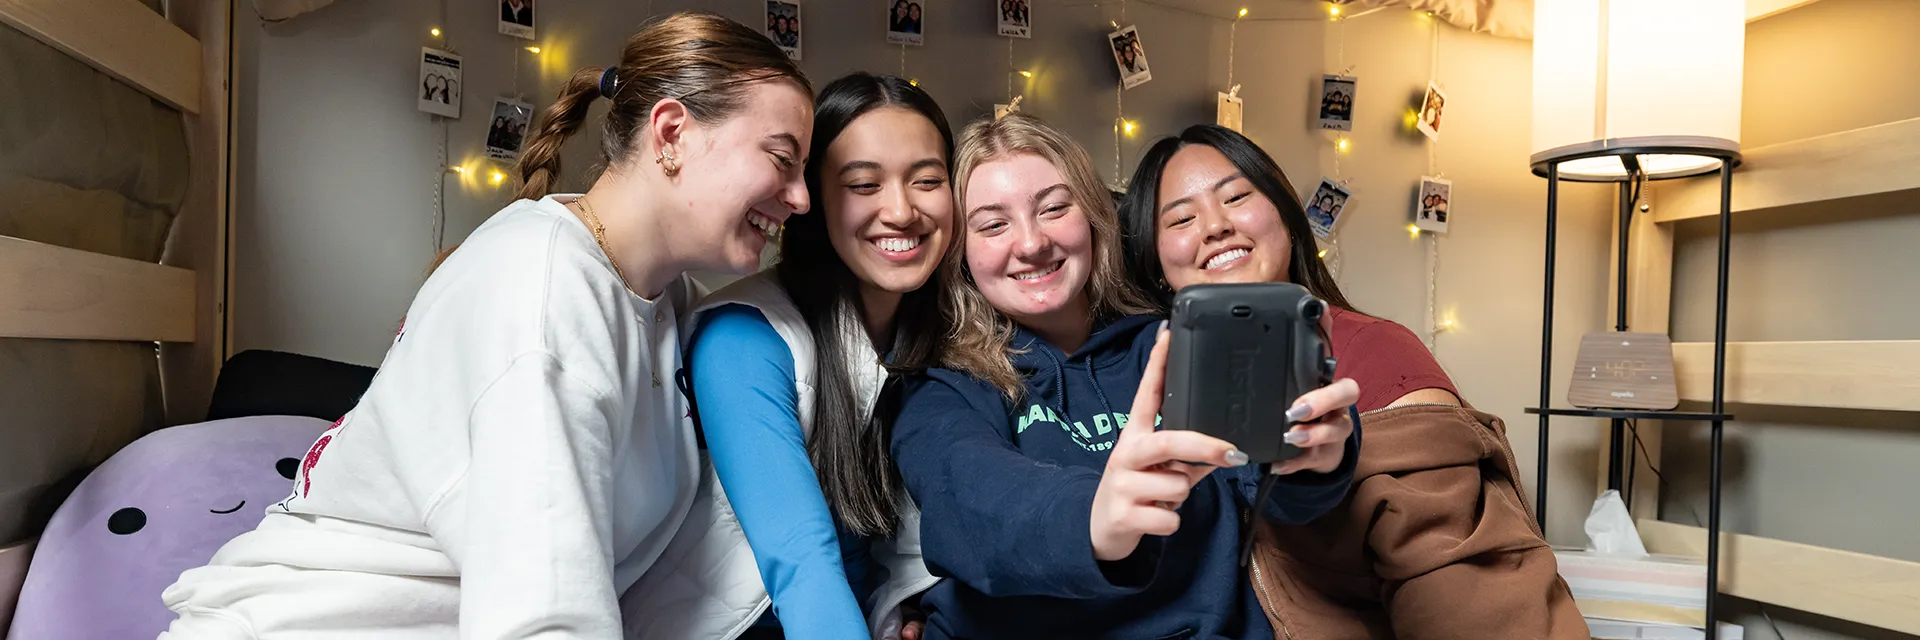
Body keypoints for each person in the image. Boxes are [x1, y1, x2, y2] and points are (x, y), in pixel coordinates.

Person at [158, 12, 813, 639]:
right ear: (671, 134)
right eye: (782, 159)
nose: (801, 197)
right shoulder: (542, 296)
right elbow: (543, 620)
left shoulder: (663, 300)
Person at [889, 113, 1361, 639]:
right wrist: (1097, 514)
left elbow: (1272, 486)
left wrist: (1314, 454)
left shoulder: (1179, 342)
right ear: (961, 252)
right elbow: (969, 495)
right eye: (993, 224)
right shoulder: (942, 385)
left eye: (1054, 208)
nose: (1031, 243)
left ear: (1091, 216)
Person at [1120, 124, 1588, 639]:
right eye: (1183, 218)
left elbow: (1468, 588)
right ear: (1158, 263)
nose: (1215, 226)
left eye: (1236, 197)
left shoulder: (1378, 355)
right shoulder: (1143, 375)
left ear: (1285, 216)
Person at [678, 73, 950, 640]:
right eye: (863, 185)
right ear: (812, 200)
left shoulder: (940, 333)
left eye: (927, 180)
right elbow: (801, 561)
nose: (901, 211)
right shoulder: (743, 338)